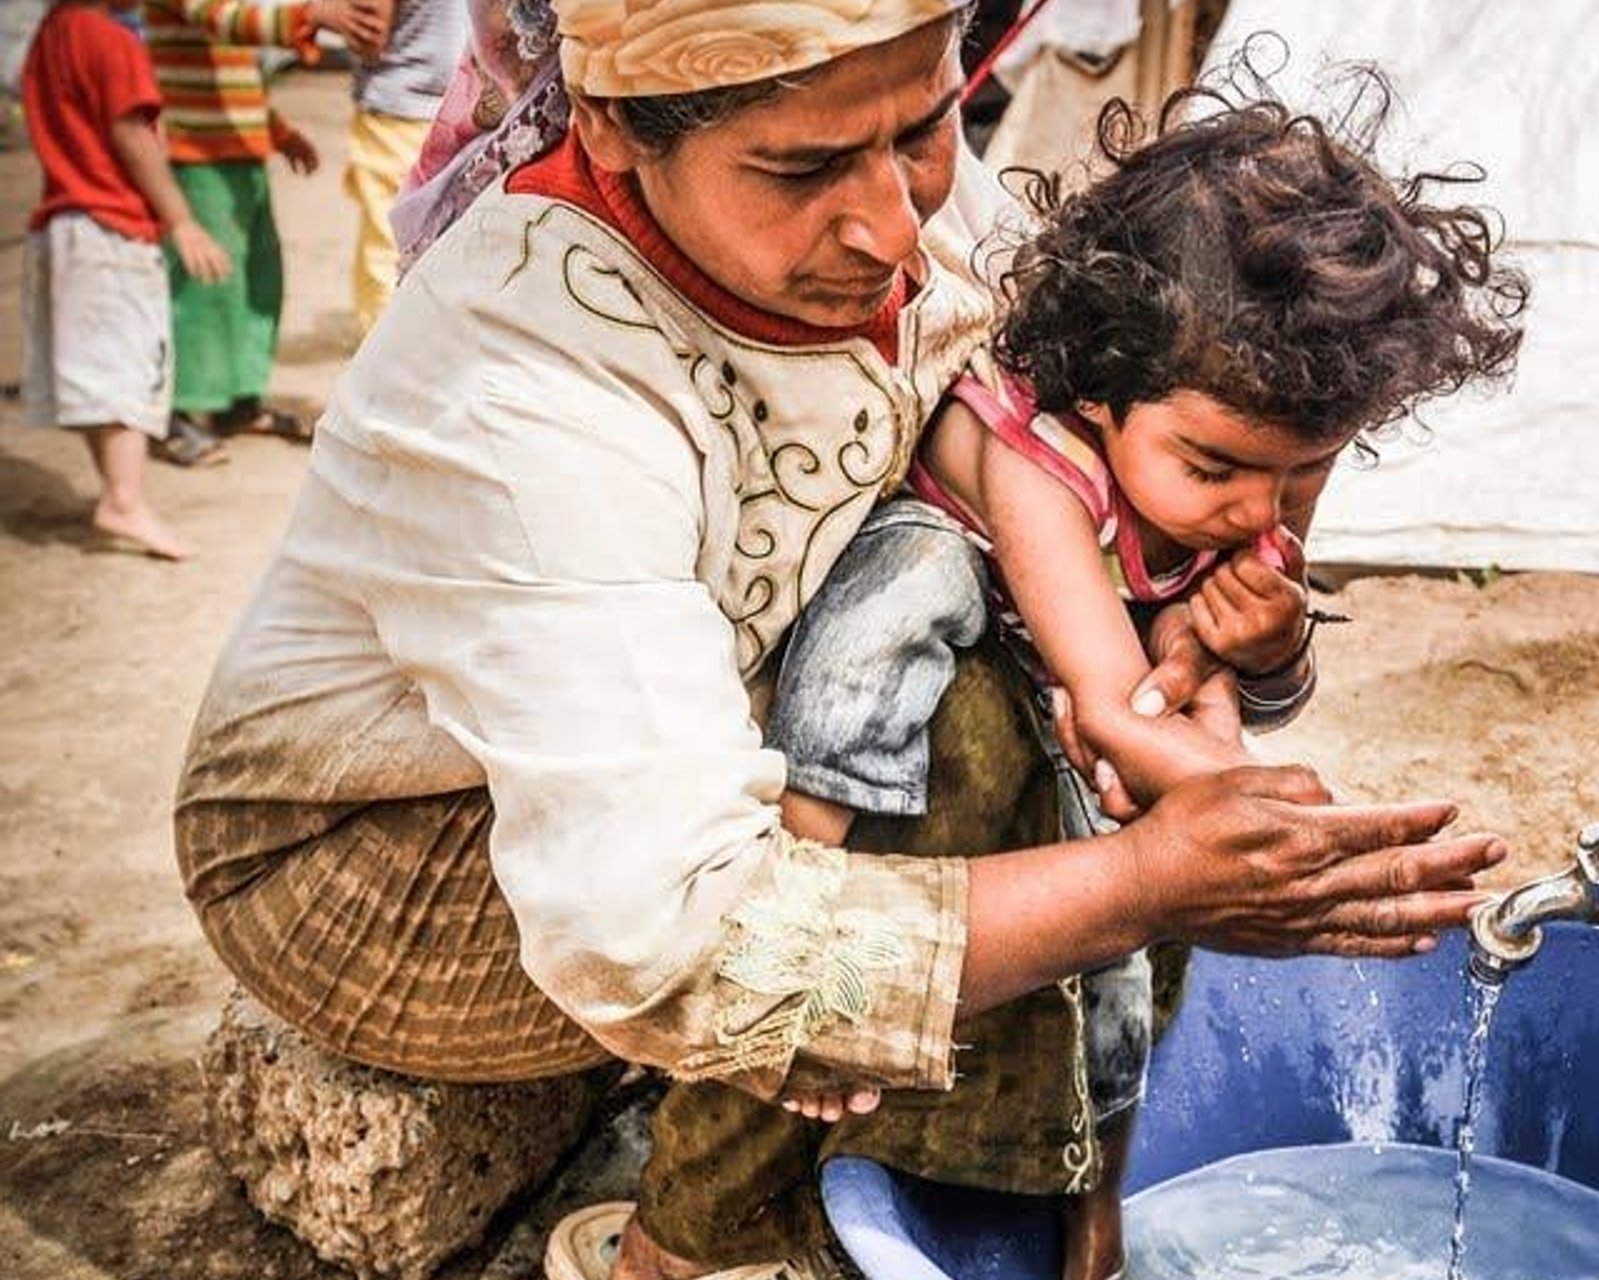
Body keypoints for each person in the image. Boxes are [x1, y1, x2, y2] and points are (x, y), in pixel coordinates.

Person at [171, 5, 1506, 1280]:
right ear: (622, 124)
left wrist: (1181, 654)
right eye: (800, 166)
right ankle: (686, 1238)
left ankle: (960, 1168)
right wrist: (1147, 884)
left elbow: (1028, 439)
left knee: (960, 668)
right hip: (386, 878)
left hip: (645, 779)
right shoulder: (521, 385)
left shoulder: (894, 189)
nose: (892, 223)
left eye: (927, 126)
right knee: (943, 709)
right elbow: (666, 932)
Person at [768, 86, 1526, 1276]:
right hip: (961, 622)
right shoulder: (1036, 455)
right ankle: (799, 913)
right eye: (1215, 467)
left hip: (1084, 679)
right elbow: (1119, 700)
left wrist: (1264, 651)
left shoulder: (1242, 474)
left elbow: (1209, 692)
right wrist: (1300, 831)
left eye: (1304, 474)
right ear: (1100, 387)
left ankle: (1097, 1211)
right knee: (882, 631)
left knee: (1148, 938)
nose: (1257, 512)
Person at [17, 0, 236, 553]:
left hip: (62, 226)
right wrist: (182, 220)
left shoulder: (52, 32)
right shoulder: (113, 42)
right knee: (129, 367)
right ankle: (125, 500)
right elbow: (132, 135)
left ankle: (117, 492)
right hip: (111, 230)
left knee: (97, 374)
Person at [142, 0, 388, 452]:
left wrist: (276, 131)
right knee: (203, 290)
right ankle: (176, 407)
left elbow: (239, 74)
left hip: (239, 151)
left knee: (256, 280)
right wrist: (311, 15)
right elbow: (228, 19)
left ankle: (238, 401)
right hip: (197, 153)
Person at [342, 0, 461, 336]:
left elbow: (368, 28)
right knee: (444, 248)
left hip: (399, 106)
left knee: (388, 247)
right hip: (466, 107)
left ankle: (384, 358)